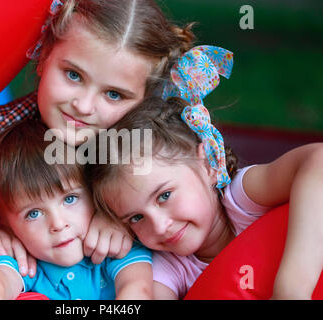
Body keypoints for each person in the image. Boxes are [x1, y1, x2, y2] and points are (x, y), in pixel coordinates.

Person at [0, 0, 196, 276]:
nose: (84, 107)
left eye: (114, 94)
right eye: (73, 75)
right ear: (44, 55)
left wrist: (121, 217)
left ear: (143, 102)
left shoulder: (149, 152)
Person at [86, 97, 323, 300]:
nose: (159, 226)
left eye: (164, 196)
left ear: (208, 163)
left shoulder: (242, 199)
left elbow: (318, 160)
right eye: (136, 217)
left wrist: (291, 288)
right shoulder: (169, 267)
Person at [0, 120, 153, 300]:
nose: (58, 224)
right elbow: (1, 275)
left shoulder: (112, 244)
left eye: (70, 199)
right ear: (7, 226)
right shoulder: (25, 261)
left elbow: (137, 288)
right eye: (33, 214)